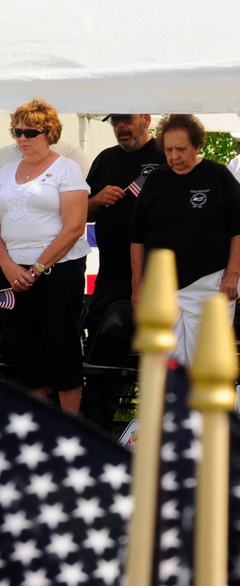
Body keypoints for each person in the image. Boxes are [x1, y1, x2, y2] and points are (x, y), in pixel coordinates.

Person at [129, 114, 240, 367]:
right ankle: (174, 409)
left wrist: (232, 275)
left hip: (207, 283)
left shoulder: (219, 176)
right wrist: (137, 285)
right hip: (161, 287)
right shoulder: (155, 180)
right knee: (168, 364)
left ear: (197, 145)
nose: (174, 157)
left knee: (205, 363)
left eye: (181, 149)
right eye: (169, 150)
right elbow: (137, 237)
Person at [0, 98, 91, 414]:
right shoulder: (6, 171)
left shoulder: (67, 168)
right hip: (12, 275)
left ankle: (70, 428)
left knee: (61, 348)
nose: (22, 138)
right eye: (17, 132)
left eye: (30, 132)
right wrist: (7, 265)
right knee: (23, 352)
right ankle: (39, 429)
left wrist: (37, 269)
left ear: (49, 133)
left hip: (56, 272)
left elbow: (74, 227)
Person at [85, 114, 166, 332]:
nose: (121, 126)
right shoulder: (105, 159)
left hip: (155, 271)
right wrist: (97, 199)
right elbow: (83, 213)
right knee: (100, 332)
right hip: (111, 270)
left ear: (146, 120)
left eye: (127, 120)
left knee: (151, 340)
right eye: (116, 121)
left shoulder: (166, 155)